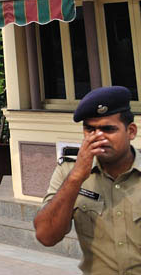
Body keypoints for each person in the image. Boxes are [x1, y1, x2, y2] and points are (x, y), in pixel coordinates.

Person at [34, 85, 140, 271]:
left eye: (108, 129)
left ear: (130, 131)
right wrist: (76, 177)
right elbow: (46, 236)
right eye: (90, 130)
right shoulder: (69, 171)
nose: (98, 137)